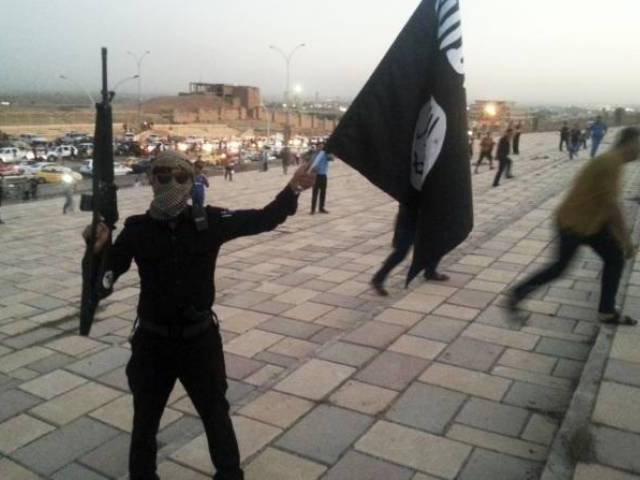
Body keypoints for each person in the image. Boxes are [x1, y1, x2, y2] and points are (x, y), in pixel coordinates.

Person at [83, 151, 315, 480]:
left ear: (191, 182)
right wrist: (96, 251)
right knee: (145, 423)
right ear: (152, 180)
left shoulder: (210, 222)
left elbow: (263, 219)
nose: (170, 184)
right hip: (153, 342)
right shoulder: (137, 230)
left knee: (216, 416)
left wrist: (293, 189)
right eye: (163, 177)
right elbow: (103, 283)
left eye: (180, 177)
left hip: (199, 340)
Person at [509, 127, 640, 325]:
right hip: (574, 223)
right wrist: (627, 241)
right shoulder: (609, 163)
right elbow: (613, 206)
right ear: (629, 143)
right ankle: (517, 293)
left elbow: (606, 203)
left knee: (614, 259)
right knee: (560, 268)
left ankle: (607, 311)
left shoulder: (614, 163)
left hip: (591, 223)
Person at [371, 202, 449, 296]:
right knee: (401, 251)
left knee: (436, 243)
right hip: (409, 217)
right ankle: (378, 278)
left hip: (429, 215)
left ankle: (430, 271)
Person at [310, 143, 329, 214]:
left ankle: (321, 208)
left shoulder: (325, 154)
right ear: (317, 147)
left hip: (324, 176)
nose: (321, 148)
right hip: (316, 176)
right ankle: (312, 209)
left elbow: (332, 158)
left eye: (322, 147)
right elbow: (311, 164)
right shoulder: (314, 155)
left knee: (323, 193)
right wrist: (313, 168)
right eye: (320, 147)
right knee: (315, 193)